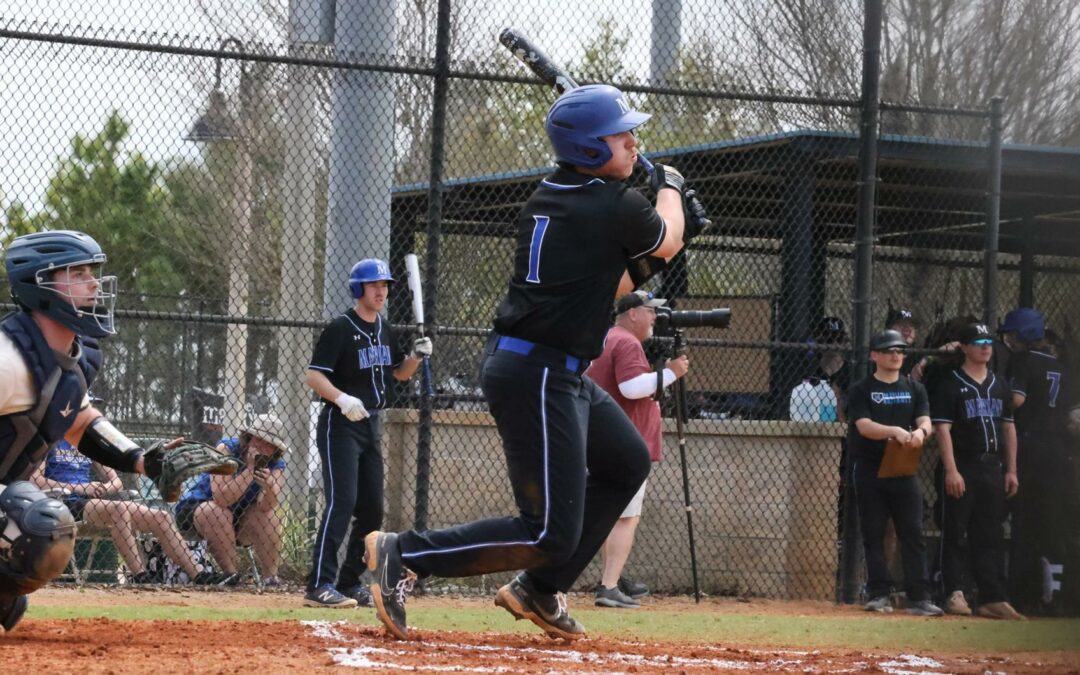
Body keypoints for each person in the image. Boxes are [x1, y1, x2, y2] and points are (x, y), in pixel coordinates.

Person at [364, 84, 690, 640]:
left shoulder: (558, 195)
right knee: (545, 533)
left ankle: (538, 589)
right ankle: (402, 553)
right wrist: (674, 191)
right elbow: (665, 239)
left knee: (626, 462)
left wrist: (667, 228)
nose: (635, 142)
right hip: (538, 372)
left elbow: (606, 285)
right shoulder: (614, 204)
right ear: (588, 149)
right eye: (622, 135)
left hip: (552, 370)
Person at [0, 230, 218, 632]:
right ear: (41, 287)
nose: (94, 283)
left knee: (13, 597)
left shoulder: (72, 358)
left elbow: (80, 424)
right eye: (78, 272)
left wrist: (141, 459)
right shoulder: (9, 359)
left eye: (93, 271)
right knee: (37, 520)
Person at [303, 258, 432, 609]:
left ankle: (347, 581)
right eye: (374, 285)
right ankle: (319, 584)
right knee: (342, 502)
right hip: (340, 424)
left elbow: (399, 374)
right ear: (358, 289)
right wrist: (342, 399)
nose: (381, 291)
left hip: (371, 424)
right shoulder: (340, 329)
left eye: (385, 285)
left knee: (372, 509)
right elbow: (314, 376)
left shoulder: (384, 329)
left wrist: (416, 358)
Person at [584, 290, 689, 609]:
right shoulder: (626, 342)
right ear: (632, 314)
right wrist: (672, 372)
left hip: (604, 440)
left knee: (613, 514)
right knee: (626, 517)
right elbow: (631, 387)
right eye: (650, 311)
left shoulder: (609, 338)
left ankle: (611, 577)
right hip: (623, 444)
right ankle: (609, 585)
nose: (655, 317)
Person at [930, 322, 1024, 620]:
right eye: (979, 341)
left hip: (992, 467)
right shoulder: (951, 383)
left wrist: (1011, 469)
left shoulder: (999, 384)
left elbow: (1008, 427)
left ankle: (991, 597)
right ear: (965, 348)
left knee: (990, 533)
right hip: (963, 464)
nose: (985, 347)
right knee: (955, 531)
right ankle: (951, 592)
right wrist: (951, 471)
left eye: (989, 342)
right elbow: (942, 430)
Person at [846, 330, 942, 616]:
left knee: (912, 532)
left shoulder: (915, 388)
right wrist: (895, 431)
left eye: (899, 350)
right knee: (873, 533)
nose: (895, 355)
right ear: (874, 355)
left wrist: (921, 433)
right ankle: (878, 593)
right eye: (888, 350)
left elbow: (926, 420)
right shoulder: (862, 389)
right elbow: (864, 425)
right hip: (871, 468)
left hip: (903, 469)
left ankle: (919, 596)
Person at [31, 440, 216, 584]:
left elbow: (116, 481)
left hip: (92, 503)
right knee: (119, 509)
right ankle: (140, 577)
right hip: (62, 503)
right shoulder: (51, 440)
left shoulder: (86, 444)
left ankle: (198, 574)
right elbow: (36, 480)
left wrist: (104, 488)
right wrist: (80, 487)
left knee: (161, 517)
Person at [998, 308, 1072, 614]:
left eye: (1013, 334)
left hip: (1029, 450)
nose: (1009, 340)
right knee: (1053, 525)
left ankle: (1022, 595)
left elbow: (1017, 400)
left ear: (1023, 336)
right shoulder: (1061, 365)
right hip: (1058, 452)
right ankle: (1055, 596)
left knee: (1024, 525)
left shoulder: (1023, 360)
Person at [174, 414, 290, 586]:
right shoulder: (227, 449)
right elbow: (221, 499)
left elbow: (266, 506)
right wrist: (250, 470)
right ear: (249, 437)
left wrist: (269, 487)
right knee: (217, 512)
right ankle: (231, 575)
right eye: (259, 439)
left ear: (275, 449)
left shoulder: (275, 464)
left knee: (269, 516)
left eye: (269, 445)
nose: (262, 447)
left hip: (239, 517)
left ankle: (270, 577)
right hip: (201, 509)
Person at [790, 316, 850, 422]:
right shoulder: (808, 373)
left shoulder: (852, 372)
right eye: (829, 340)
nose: (834, 344)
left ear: (844, 341)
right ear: (819, 341)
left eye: (839, 339)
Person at [885, 308, 920, 376]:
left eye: (912, 326)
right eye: (901, 324)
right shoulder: (879, 355)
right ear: (889, 328)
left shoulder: (918, 357)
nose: (908, 329)